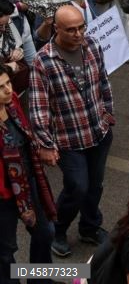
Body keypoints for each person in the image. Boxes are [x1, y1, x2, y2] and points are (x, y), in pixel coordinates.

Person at [28, 5, 114, 258]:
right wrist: (45, 143)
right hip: (68, 138)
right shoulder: (43, 61)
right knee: (77, 186)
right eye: (71, 29)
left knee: (95, 185)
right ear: (57, 29)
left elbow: (103, 82)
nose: (78, 34)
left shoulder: (92, 46)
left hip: (98, 132)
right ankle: (59, 229)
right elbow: (38, 107)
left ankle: (89, 227)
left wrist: (108, 116)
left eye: (81, 27)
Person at [0, 65, 56, 284]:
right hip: (3, 197)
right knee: (5, 252)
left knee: (45, 232)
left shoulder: (12, 100)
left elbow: (26, 134)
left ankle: (40, 279)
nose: (7, 89)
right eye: (1, 87)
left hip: (27, 181)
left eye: (8, 83)